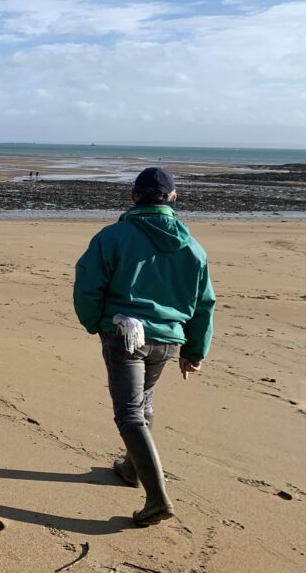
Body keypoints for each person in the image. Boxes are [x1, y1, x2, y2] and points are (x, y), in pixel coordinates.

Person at [74, 167, 215, 526]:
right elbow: (203, 304)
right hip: (167, 339)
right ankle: (130, 468)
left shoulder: (113, 236)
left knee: (129, 412)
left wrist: (96, 324)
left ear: (134, 196)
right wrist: (194, 352)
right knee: (143, 402)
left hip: (126, 335)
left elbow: (88, 287)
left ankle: (157, 498)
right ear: (173, 197)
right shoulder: (193, 247)